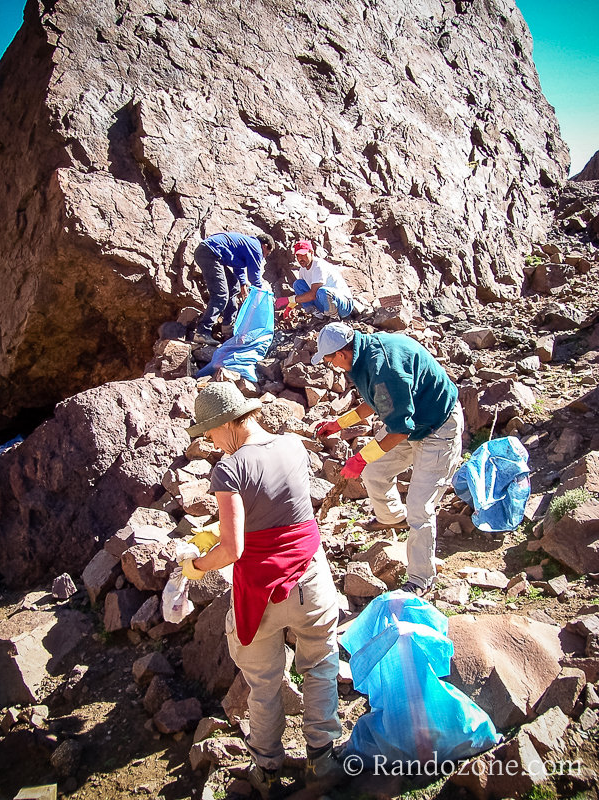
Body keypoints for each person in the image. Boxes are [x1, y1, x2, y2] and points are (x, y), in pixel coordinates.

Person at [185, 382, 343, 796]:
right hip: (310, 578)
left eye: (209, 432)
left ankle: (267, 768)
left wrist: (197, 566)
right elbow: (282, 510)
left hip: (261, 591)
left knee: (264, 682)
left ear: (227, 425)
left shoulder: (229, 468)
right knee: (321, 664)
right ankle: (322, 756)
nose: (209, 441)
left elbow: (234, 548)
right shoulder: (292, 445)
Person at [312, 322, 464, 596]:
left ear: (342, 354)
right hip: (410, 423)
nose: (331, 366)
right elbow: (377, 400)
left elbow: (399, 429)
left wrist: (359, 459)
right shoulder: (362, 357)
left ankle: (421, 579)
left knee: (419, 507)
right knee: (375, 473)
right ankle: (393, 518)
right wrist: (339, 423)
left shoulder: (384, 368)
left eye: (329, 360)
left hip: (438, 426)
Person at [193, 232, 275, 346]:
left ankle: (227, 327)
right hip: (210, 254)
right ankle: (202, 332)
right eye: (267, 254)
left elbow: (238, 268)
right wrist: (261, 296)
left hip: (208, 252)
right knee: (221, 295)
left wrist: (242, 285)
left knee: (233, 286)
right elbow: (254, 276)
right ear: (265, 246)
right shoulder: (256, 247)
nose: (264, 256)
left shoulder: (247, 244)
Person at [275, 240, 353, 320]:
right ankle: (317, 315)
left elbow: (313, 294)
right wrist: (289, 307)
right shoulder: (303, 269)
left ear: (311, 252)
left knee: (322, 291)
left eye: (303, 255)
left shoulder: (318, 266)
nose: (300, 258)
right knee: (298, 284)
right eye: (298, 255)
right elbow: (302, 293)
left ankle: (334, 317)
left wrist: (288, 300)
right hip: (324, 303)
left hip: (343, 305)